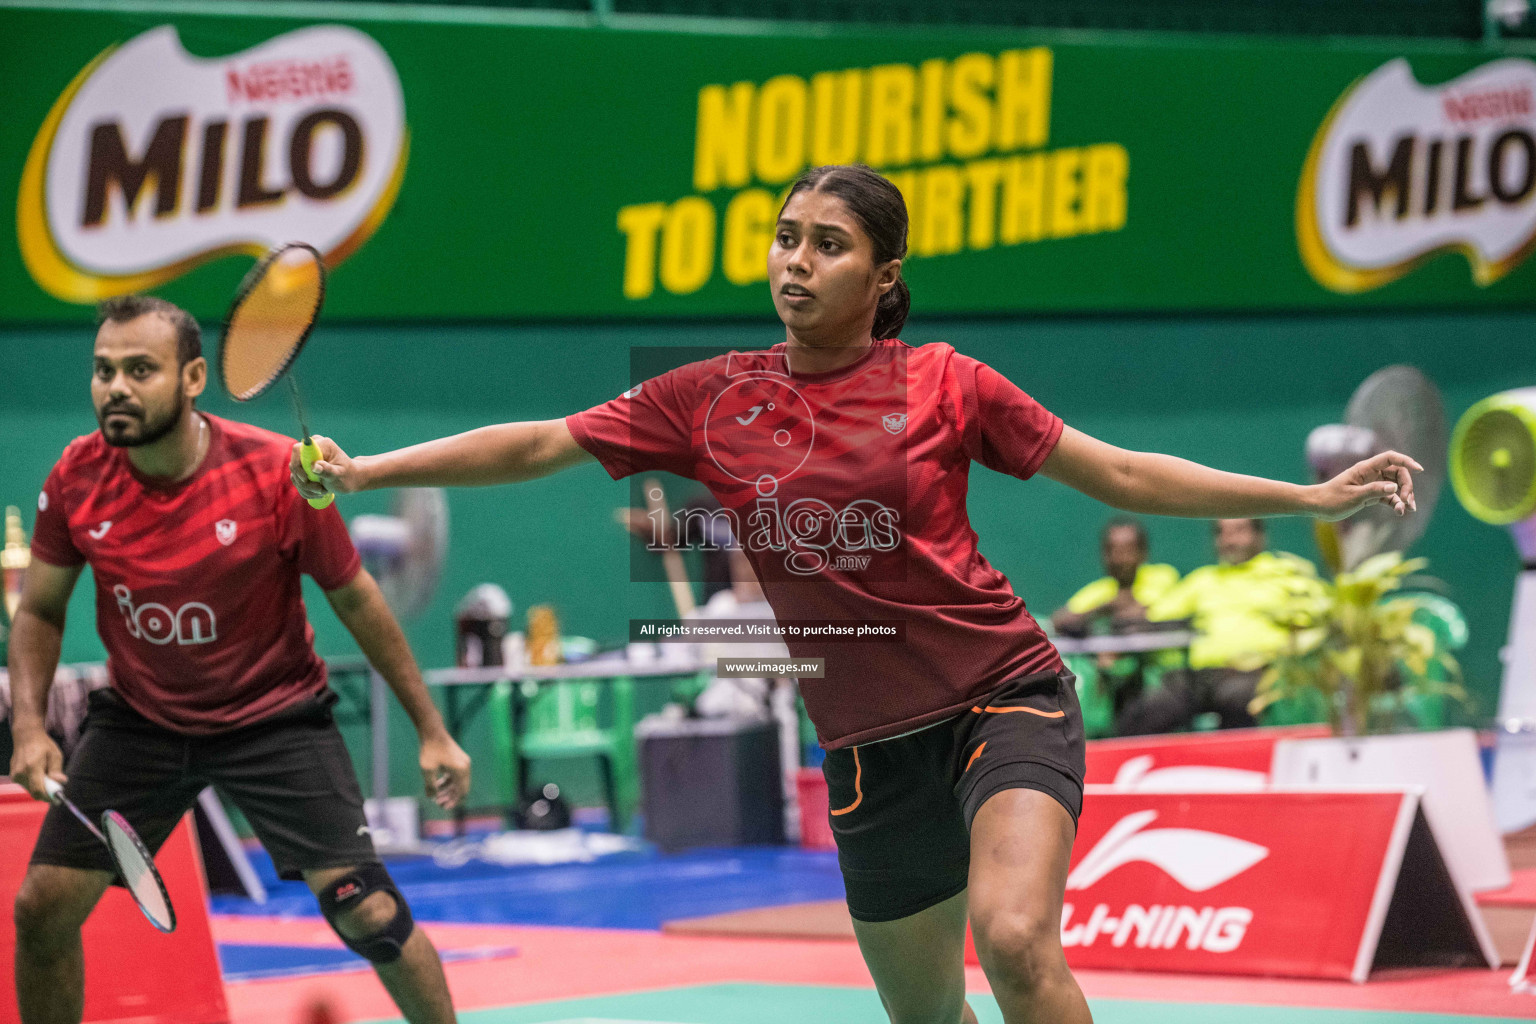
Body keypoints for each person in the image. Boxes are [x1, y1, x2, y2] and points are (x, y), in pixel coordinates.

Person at [290, 164, 1420, 1024]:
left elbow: (1116, 470)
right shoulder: (709, 398)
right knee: (927, 1014)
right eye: (784, 238)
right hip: (871, 750)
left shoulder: (946, 382)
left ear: (882, 279)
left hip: (1003, 698)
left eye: (826, 245)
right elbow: (540, 442)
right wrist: (374, 470)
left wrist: (1307, 498)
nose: (794, 261)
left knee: (1018, 942)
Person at [8, 296, 472, 1024]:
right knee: (42, 909)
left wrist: (432, 729)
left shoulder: (273, 472)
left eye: (139, 370)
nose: (116, 388)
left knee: (369, 913)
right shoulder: (77, 475)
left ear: (193, 377)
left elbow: (358, 601)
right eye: (103, 371)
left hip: (275, 717)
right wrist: (30, 728)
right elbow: (38, 609)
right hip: (142, 722)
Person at [1124, 517, 1327, 734]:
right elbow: (1154, 616)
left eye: (1239, 531)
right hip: (1203, 677)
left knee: (1236, 698)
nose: (1229, 540)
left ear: (1260, 536)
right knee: (1147, 709)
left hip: (1260, 673)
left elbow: (1324, 617)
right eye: (1222, 533)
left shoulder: (1287, 574)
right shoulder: (1203, 579)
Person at [1050, 518, 1179, 736]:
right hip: (1112, 686)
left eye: (1127, 550)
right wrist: (1104, 607)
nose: (1119, 559)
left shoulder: (1162, 576)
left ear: (1142, 553)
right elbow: (1060, 620)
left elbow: (1145, 613)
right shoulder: (1101, 591)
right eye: (1112, 551)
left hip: (1163, 680)